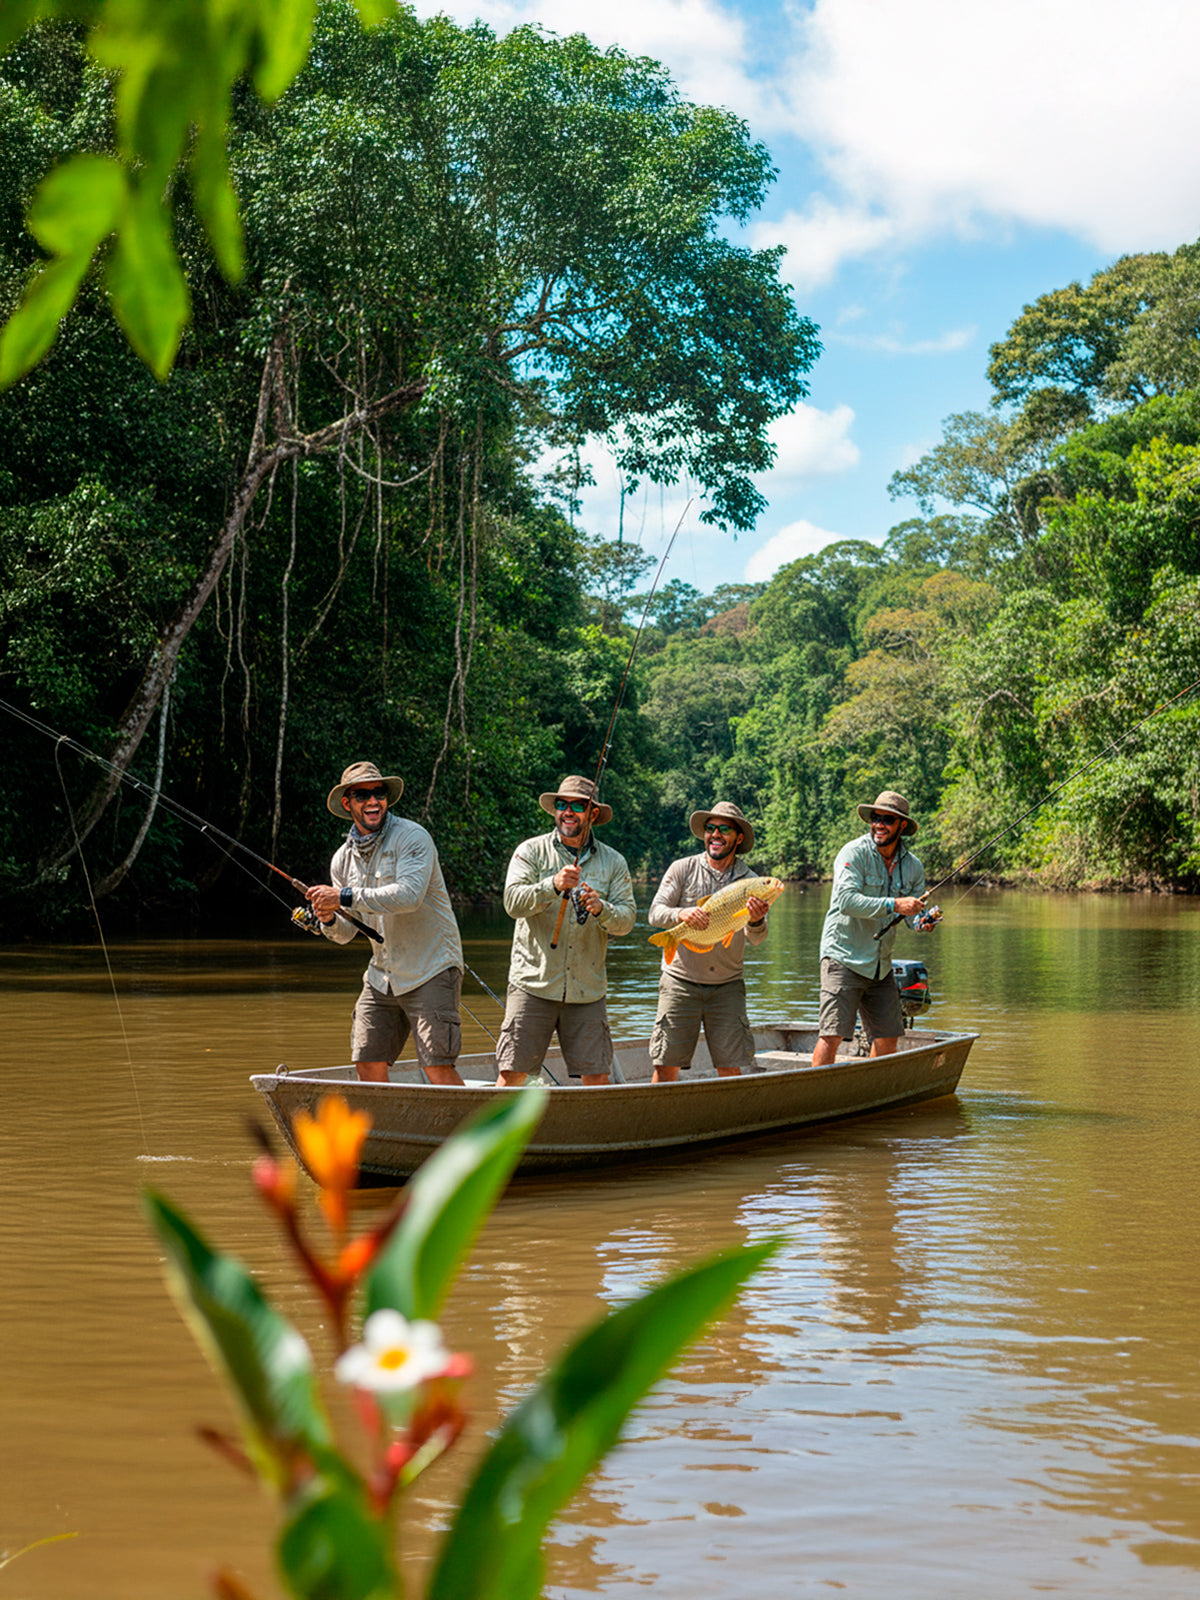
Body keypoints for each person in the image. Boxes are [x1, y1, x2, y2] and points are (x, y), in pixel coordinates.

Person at [306, 761, 465, 1086]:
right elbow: (347, 933)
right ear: (347, 803)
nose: (373, 801)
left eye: (378, 793)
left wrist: (343, 897)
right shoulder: (342, 859)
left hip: (431, 967)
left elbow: (408, 897)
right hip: (382, 976)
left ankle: (472, 1135)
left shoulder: (412, 837)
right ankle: (385, 1133)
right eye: (362, 795)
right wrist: (328, 918)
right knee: (366, 1061)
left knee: (436, 1066)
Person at [496, 774, 636, 1087]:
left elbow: (627, 921)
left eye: (577, 805)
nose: (568, 811)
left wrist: (602, 909)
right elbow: (512, 903)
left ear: (593, 813)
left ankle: (592, 1135)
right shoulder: (530, 851)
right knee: (512, 1073)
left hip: (587, 990)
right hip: (532, 984)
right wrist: (552, 885)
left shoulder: (614, 862)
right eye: (562, 804)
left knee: (597, 1075)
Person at [647, 802, 772, 1083]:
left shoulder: (752, 882)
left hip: (727, 986)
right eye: (710, 828)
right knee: (665, 1065)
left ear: (738, 838)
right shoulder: (682, 868)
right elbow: (655, 913)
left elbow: (757, 939)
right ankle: (656, 1123)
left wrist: (755, 920)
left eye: (724, 829)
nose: (715, 834)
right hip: (679, 982)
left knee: (731, 1067)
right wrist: (682, 913)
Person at [811, 789, 932, 1068]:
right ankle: (817, 1097)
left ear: (902, 825)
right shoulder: (853, 853)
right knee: (832, 1034)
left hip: (880, 965)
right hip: (842, 956)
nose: (879, 825)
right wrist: (895, 904)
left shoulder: (913, 867)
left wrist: (922, 922)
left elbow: (914, 916)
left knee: (888, 1037)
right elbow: (845, 901)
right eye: (875, 818)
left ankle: (867, 1090)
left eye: (887, 820)